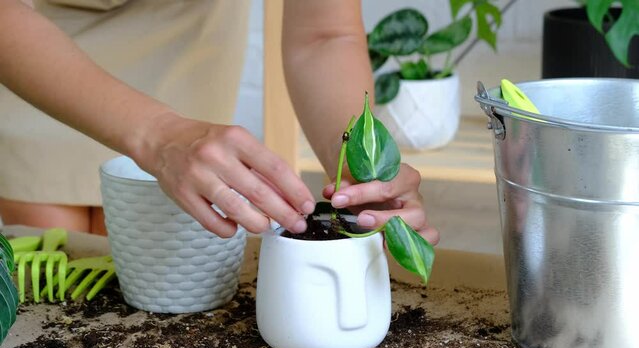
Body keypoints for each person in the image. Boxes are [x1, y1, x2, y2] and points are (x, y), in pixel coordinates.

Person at [0, 0, 439, 244]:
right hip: (30, 53)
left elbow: (324, 34)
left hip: (185, 46)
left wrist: (359, 168)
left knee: (166, 258)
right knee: (55, 251)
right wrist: (159, 135)